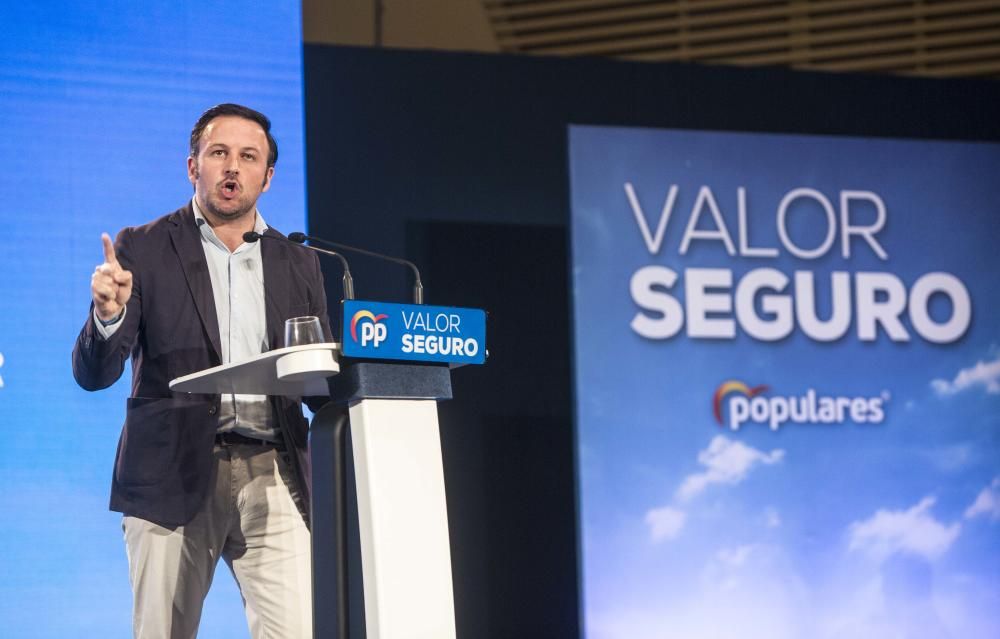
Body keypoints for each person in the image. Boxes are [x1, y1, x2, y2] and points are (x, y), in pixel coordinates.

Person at [72, 103, 329, 638]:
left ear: (268, 176)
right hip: (174, 471)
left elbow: (316, 380)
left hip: (274, 472)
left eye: (248, 156)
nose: (232, 167)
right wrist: (108, 316)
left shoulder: (298, 260)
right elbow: (94, 374)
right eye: (219, 153)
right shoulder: (141, 247)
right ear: (193, 166)